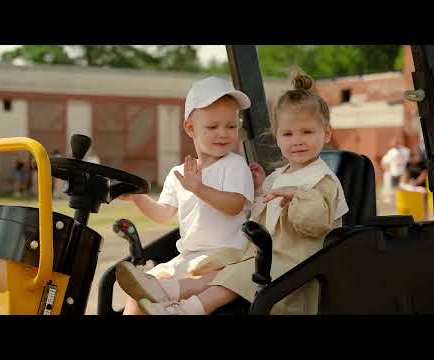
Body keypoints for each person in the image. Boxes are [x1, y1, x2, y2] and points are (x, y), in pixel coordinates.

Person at [118, 74, 349, 315]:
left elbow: (314, 221)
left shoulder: (320, 179)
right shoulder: (278, 176)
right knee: (140, 291)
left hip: (290, 263)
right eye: (289, 134)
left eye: (307, 132)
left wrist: (295, 196)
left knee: (234, 275)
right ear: (277, 137)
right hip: (243, 256)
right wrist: (136, 197)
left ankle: (184, 309)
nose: (298, 141)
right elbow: (264, 213)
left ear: (326, 134)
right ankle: (169, 298)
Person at [116, 76, 254, 315]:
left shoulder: (234, 165)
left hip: (225, 257)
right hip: (188, 258)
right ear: (190, 128)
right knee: (140, 288)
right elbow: (163, 214)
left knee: (163, 288)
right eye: (212, 127)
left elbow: (234, 205)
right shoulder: (179, 173)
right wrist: (138, 198)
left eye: (231, 126)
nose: (223, 134)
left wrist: (199, 189)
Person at [381, 138, 410, 203]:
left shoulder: (405, 151)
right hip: (393, 174)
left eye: (396, 143)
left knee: (402, 189)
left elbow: (408, 161)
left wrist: (405, 171)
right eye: (393, 144)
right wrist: (388, 170)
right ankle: (390, 202)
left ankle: (402, 201)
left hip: (402, 174)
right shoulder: (391, 152)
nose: (394, 145)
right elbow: (384, 162)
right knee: (391, 191)